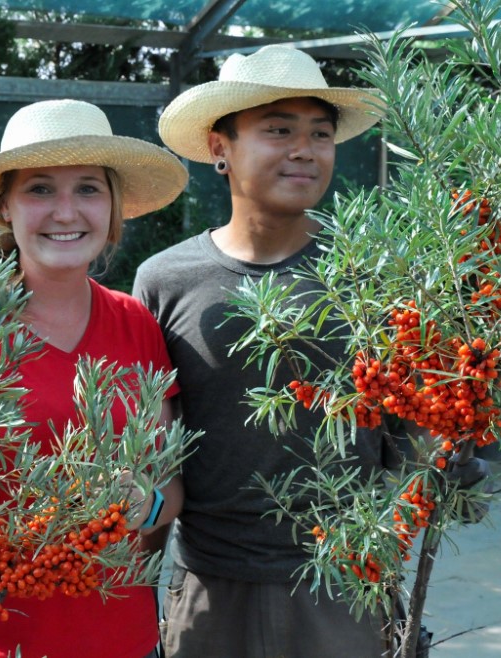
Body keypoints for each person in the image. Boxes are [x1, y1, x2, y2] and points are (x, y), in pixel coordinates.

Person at [0, 99, 189, 658]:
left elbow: (168, 492)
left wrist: (141, 503)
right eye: (41, 189)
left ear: (114, 208)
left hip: (130, 644)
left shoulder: (136, 324)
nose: (66, 211)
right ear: (5, 205)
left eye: (89, 189)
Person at [133, 45, 393, 656]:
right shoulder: (167, 280)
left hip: (346, 584)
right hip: (209, 589)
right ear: (219, 147)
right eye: (278, 130)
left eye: (320, 134)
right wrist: (136, 596)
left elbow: (413, 427)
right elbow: (150, 453)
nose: (304, 149)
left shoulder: (372, 275)